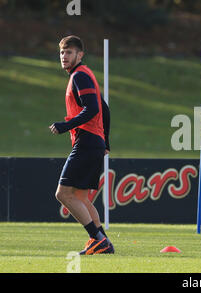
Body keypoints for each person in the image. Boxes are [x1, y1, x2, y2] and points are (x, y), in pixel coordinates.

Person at [49, 35, 114, 255]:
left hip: (86, 141)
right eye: (61, 53)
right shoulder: (83, 75)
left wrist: (65, 126)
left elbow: (93, 109)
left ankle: (97, 239)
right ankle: (103, 241)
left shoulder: (79, 76)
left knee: (63, 194)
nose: (64, 56)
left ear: (80, 55)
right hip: (93, 141)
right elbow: (104, 108)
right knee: (79, 197)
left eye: (69, 52)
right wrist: (105, 142)